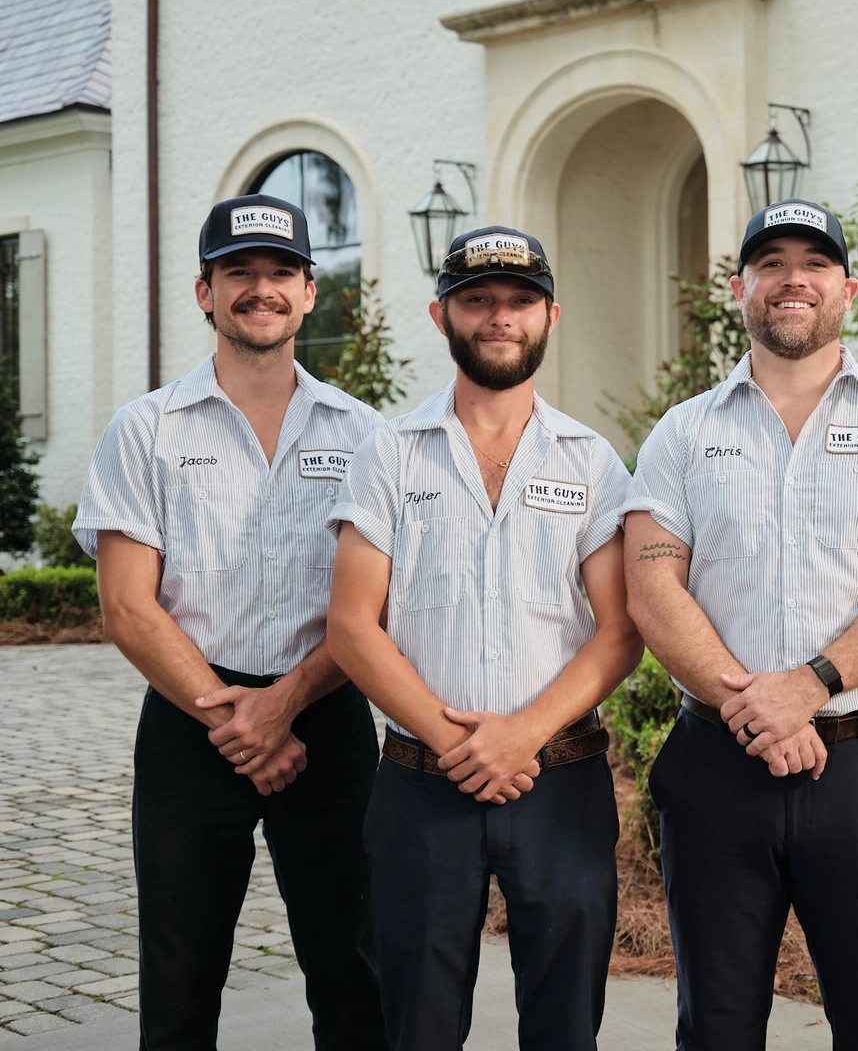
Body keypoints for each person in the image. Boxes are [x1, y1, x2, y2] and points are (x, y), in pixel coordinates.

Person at [622, 198, 858, 1051]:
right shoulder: (684, 432)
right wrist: (752, 704)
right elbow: (653, 585)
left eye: (813, 264)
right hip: (716, 765)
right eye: (771, 263)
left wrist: (807, 687)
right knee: (716, 1027)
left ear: (847, 289)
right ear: (740, 287)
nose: (792, 280)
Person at [72, 194, 385, 1050]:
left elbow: (377, 606)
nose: (261, 288)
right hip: (188, 724)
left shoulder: (365, 435)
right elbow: (129, 608)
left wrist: (284, 704)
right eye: (237, 272)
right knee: (180, 976)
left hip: (329, 718)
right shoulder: (146, 430)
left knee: (354, 967)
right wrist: (237, 718)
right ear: (204, 291)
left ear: (310, 291)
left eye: (280, 271)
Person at [325, 225, 640, 1051]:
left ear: (550, 315)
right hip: (421, 786)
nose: (500, 316)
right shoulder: (388, 454)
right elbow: (354, 628)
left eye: (520, 300)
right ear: (442, 316)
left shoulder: (593, 461)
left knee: (566, 1025)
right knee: (417, 1027)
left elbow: (620, 633)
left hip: (561, 782)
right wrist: (456, 742)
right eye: (478, 300)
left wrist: (520, 737)